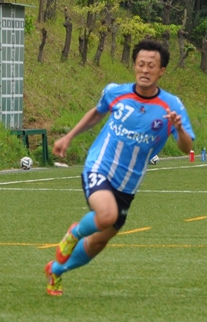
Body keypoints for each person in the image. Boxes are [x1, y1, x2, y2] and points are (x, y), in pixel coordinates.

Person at [45, 39, 194, 296]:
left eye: (151, 66)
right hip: (100, 167)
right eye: (140, 64)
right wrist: (69, 136)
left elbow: (186, 147)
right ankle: (73, 234)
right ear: (134, 66)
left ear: (161, 71)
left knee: (98, 242)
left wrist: (179, 128)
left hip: (128, 184)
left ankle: (56, 270)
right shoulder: (116, 92)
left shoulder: (172, 106)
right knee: (106, 215)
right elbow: (97, 113)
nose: (144, 70)